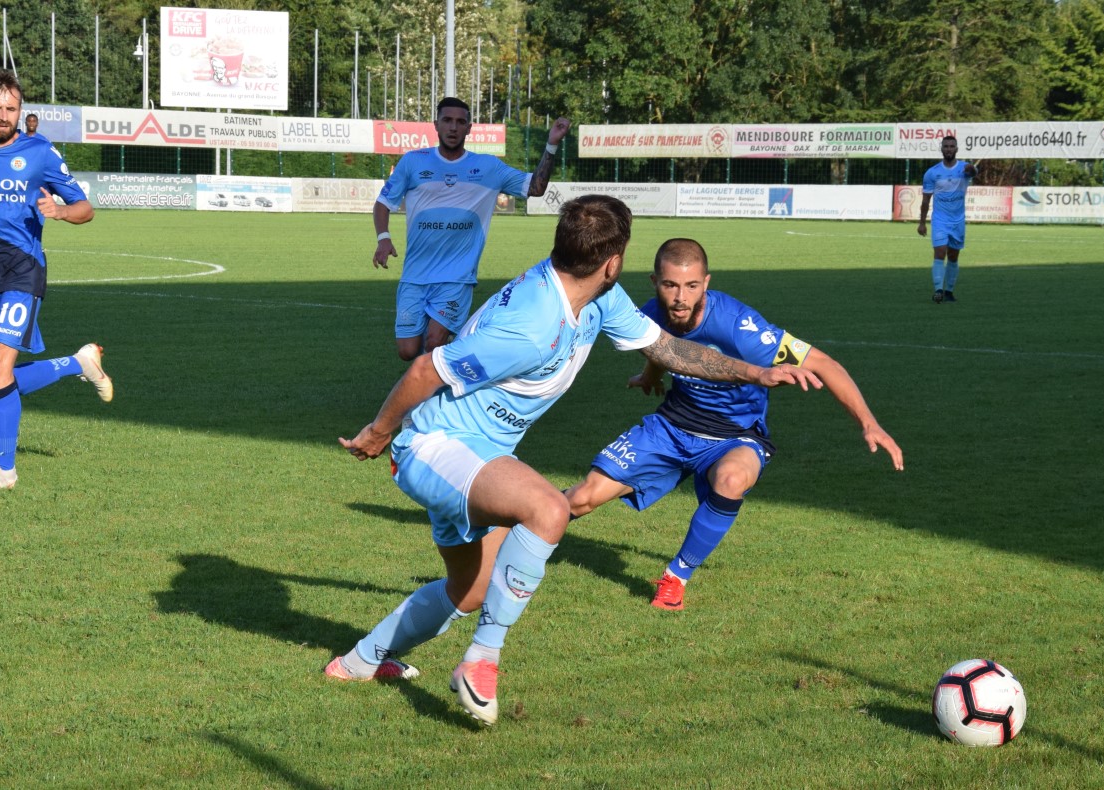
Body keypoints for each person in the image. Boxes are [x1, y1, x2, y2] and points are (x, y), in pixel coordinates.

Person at [328, 196, 822, 725]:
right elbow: (427, 369)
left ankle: (357, 663)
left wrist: (755, 373)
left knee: (469, 590)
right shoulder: (533, 324)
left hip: (479, 452)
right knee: (548, 510)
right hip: (434, 446)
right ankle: (480, 661)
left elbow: (670, 350)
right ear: (613, 261)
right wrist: (380, 433)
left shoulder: (597, 296)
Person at [564, 239, 904, 610]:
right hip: (673, 426)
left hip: (736, 435)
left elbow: (824, 364)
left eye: (691, 286)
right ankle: (513, 529)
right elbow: (662, 347)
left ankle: (675, 577)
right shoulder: (648, 314)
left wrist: (868, 423)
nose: (680, 297)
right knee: (581, 499)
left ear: (706, 283)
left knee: (731, 481)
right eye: (670, 285)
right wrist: (649, 375)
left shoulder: (741, 328)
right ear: (654, 282)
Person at [0, 69, 110, 491]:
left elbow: (85, 207)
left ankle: (5, 472)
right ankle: (78, 363)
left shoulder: (40, 152)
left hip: (23, 271)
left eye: (10, 109)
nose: (3, 115)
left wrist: (60, 212)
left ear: (20, 112)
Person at [372, 96, 571, 360]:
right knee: (407, 351)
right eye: (447, 120)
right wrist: (384, 238)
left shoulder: (488, 167)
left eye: (460, 122)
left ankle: (432, 394)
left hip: (457, 276)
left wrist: (551, 145)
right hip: (415, 274)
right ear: (436, 124)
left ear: (469, 128)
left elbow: (535, 187)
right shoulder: (413, 162)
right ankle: (444, 371)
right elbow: (383, 203)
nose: (453, 127)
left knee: (434, 342)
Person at [917, 135, 977, 303]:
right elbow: (925, 200)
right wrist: (922, 223)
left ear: (956, 149)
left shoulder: (964, 168)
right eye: (946, 146)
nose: (949, 149)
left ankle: (949, 291)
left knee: (953, 256)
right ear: (942, 149)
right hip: (940, 220)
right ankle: (938, 290)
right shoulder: (932, 173)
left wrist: (972, 170)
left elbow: (973, 172)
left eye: (952, 146)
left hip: (958, 220)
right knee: (940, 252)